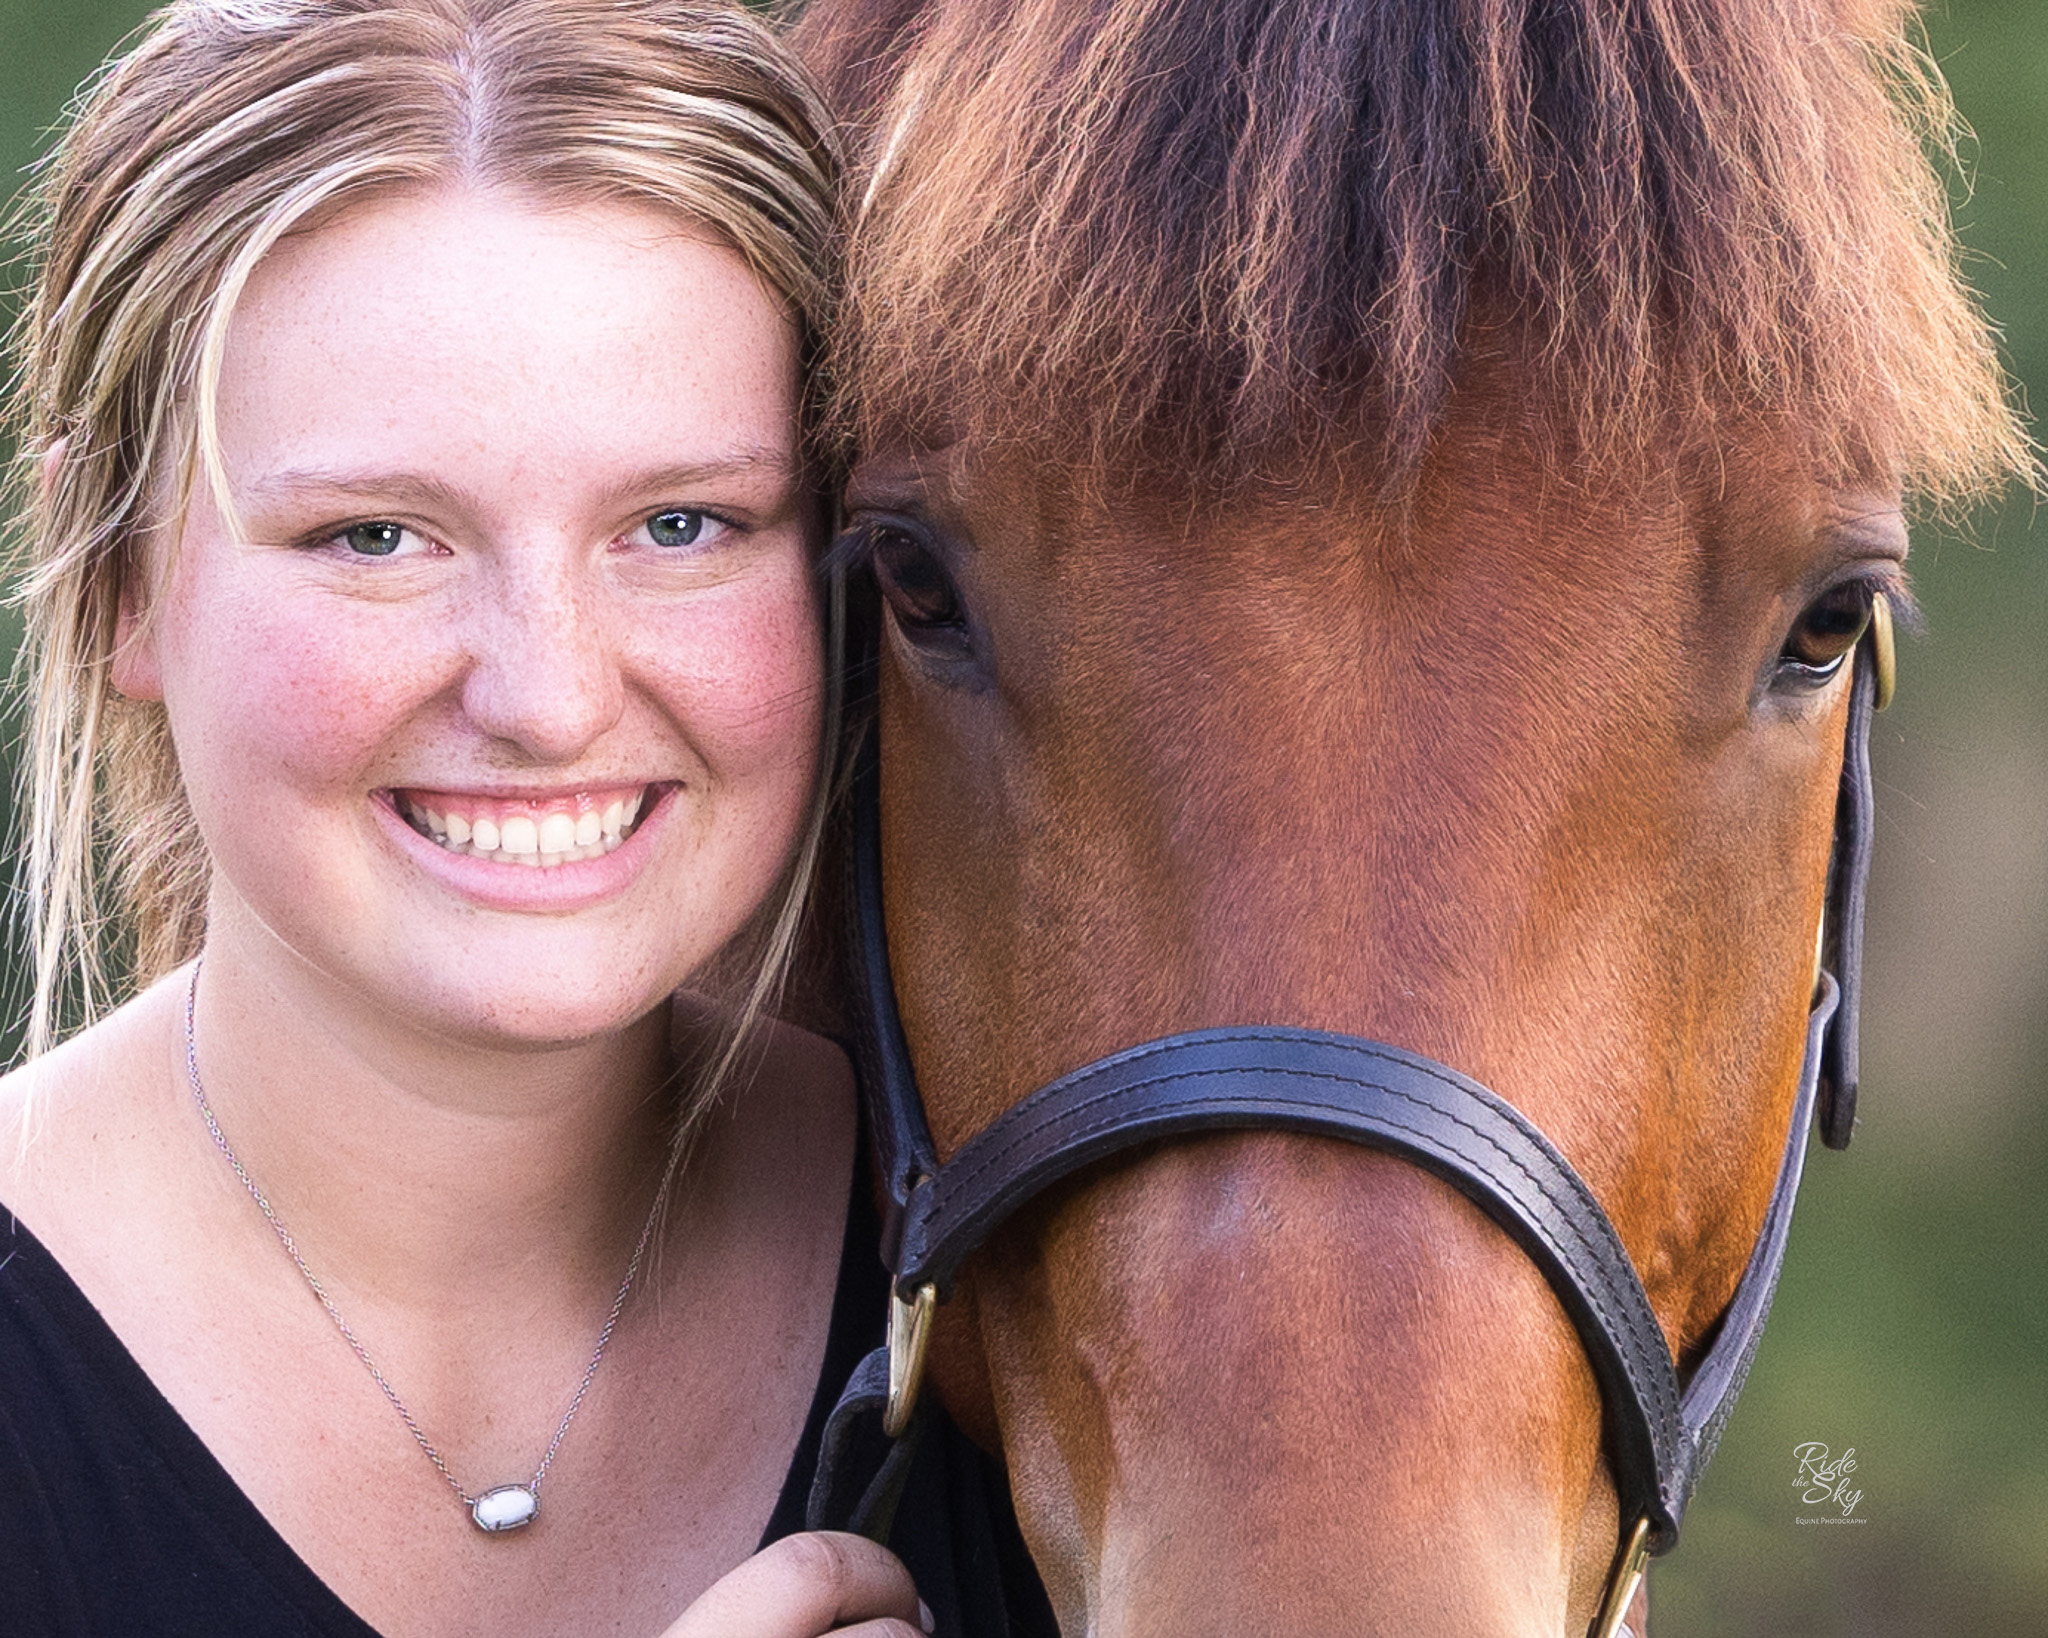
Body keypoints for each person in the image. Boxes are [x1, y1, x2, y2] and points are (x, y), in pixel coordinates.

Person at [0, 3, 1048, 1634]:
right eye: (376, 537)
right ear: (120, 571)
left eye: (682, 522)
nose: (547, 697)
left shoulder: (1046, 1298)